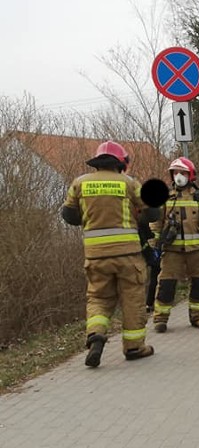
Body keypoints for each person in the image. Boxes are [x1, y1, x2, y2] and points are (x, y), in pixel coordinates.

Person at [61, 140, 158, 367]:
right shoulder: (129, 183)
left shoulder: (79, 184)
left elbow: (69, 216)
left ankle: (95, 334)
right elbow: (153, 213)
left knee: (98, 298)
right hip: (128, 255)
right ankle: (134, 347)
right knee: (132, 298)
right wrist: (139, 218)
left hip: (95, 255)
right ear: (121, 163)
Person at [151, 157, 199, 333]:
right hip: (172, 252)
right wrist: (154, 246)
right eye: (175, 172)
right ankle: (160, 319)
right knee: (166, 285)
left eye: (182, 172)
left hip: (198, 251)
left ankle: (198, 317)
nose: (179, 176)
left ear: (190, 175)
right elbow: (155, 224)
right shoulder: (165, 198)